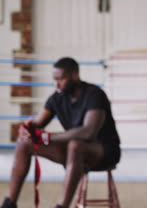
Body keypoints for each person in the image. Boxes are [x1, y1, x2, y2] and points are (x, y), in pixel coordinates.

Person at [1, 57, 121, 208]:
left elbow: (88, 132)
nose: (56, 84)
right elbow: (38, 123)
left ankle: (61, 206)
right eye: (54, 79)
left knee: (75, 145)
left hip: (104, 151)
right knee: (24, 143)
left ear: (75, 75)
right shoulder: (56, 98)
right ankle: (9, 203)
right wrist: (27, 129)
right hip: (74, 155)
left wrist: (48, 136)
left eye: (61, 79)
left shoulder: (94, 94)